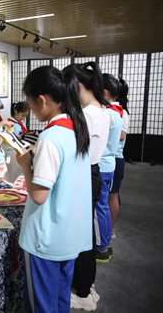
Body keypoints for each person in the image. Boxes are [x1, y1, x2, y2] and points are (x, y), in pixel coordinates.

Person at [17, 66, 92, 313]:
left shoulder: (50, 137)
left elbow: (39, 196)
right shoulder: (77, 127)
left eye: (31, 104)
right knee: (60, 301)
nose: (31, 111)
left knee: (41, 306)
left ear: (42, 100)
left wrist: (26, 164)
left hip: (45, 238)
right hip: (69, 234)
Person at [63, 62, 110, 311]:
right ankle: (86, 286)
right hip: (92, 172)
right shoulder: (101, 110)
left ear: (78, 86)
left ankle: (82, 291)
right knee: (86, 233)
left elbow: (74, 150)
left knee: (82, 236)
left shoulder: (88, 114)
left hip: (84, 174)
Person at [95, 75, 124, 263]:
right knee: (103, 205)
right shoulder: (118, 112)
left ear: (104, 92)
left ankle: (101, 246)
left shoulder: (106, 114)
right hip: (109, 163)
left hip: (102, 164)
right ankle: (105, 243)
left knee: (99, 208)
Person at [103, 74, 129, 242]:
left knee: (112, 196)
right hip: (111, 159)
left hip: (114, 159)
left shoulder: (119, 113)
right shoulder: (114, 111)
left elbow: (121, 136)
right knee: (109, 197)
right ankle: (107, 228)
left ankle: (110, 228)